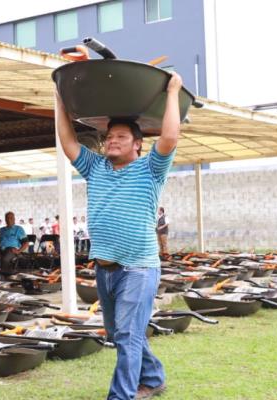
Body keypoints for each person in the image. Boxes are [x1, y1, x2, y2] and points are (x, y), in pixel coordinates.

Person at [56, 71, 183, 399]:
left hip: (138, 269)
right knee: (121, 333)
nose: (111, 140)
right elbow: (69, 143)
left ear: (138, 145)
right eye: (109, 136)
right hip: (105, 270)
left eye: (121, 137)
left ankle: (122, 395)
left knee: (127, 334)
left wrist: (173, 91)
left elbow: (169, 138)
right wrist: (59, 97)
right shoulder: (95, 167)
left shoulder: (150, 170)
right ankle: (153, 377)